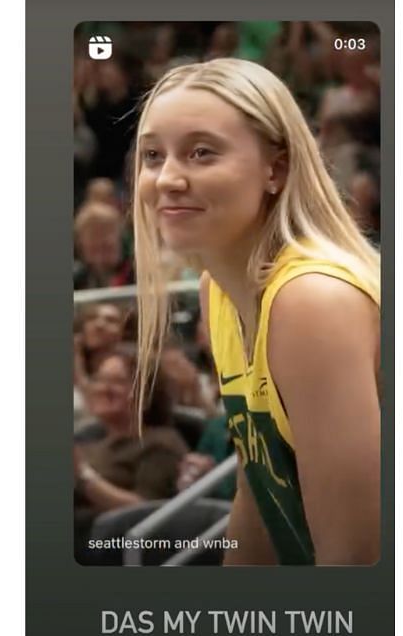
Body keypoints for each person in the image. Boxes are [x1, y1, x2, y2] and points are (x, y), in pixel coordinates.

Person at [130, 58, 381, 565]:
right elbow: (261, 492)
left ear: (277, 168)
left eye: (202, 153)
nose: (168, 179)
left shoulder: (312, 299)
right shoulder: (217, 292)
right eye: (153, 155)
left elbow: (354, 564)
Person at [74, 345, 188, 561]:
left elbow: (147, 512)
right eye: (99, 379)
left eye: (117, 382)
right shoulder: (90, 437)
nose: (103, 388)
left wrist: (83, 475)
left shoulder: (160, 442)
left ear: (145, 393)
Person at [73, 201, 134, 289]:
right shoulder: (77, 278)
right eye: (94, 249)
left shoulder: (137, 273)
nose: (100, 257)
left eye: (107, 248)